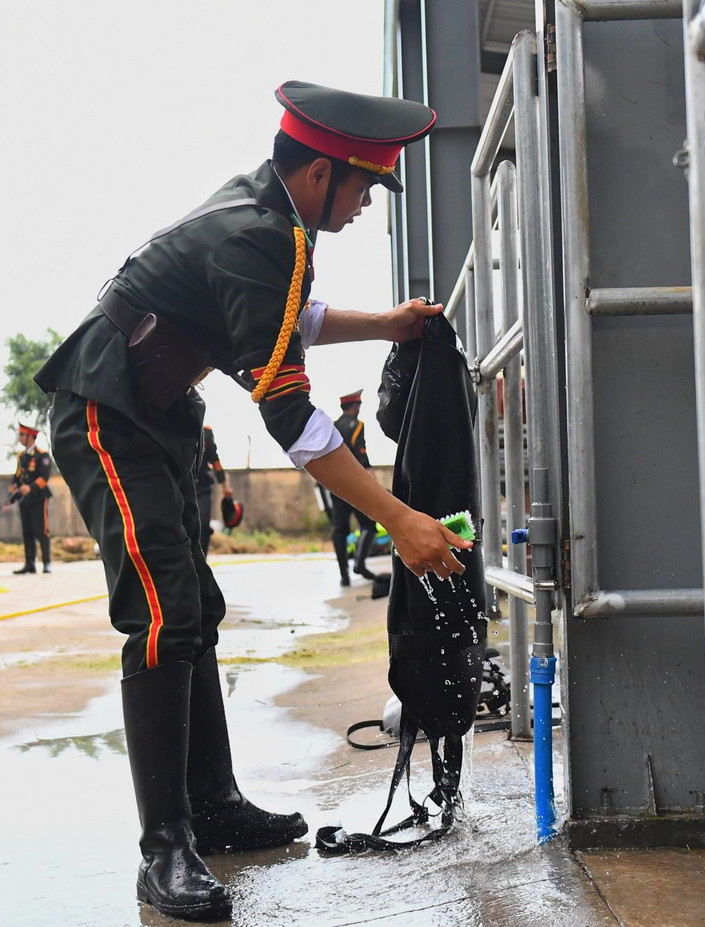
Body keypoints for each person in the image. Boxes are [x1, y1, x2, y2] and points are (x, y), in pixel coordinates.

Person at [33, 80, 472, 922]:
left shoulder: (274, 223)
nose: (364, 207)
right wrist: (396, 515)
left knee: (194, 603)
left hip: (159, 414)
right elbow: (290, 416)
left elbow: (287, 321)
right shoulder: (256, 234)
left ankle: (213, 804)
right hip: (106, 412)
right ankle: (163, 848)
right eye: (363, 188)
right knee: (161, 612)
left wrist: (387, 324)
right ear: (317, 174)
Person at [330, 389, 380, 585]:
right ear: (355, 407)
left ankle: (344, 575)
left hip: (334, 486)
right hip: (354, 486)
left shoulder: (333, 426)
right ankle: (359, 563)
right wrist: (372, 481)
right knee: (368, 525)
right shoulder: (357, 425)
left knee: (339, 530)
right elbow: (361, 455)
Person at [11, 423, 53, 575]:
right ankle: (30, 564)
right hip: (24, 500)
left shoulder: (42, 455)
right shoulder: (21, 456)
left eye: (22, 435)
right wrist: (13, 491)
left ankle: (47, 563)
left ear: (30, 437)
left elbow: (45, 477)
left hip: (39, 498)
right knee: (27, 532)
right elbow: (17, 475)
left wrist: (30, 487)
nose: (20, 437)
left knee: (42, 531)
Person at [194, 425, 233, 556]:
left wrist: (225, 486)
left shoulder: (205, 432)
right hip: (182, 486)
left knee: (204, 524)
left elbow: (215, 460)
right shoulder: (174, 426)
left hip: (202, 486)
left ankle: (202, 560)